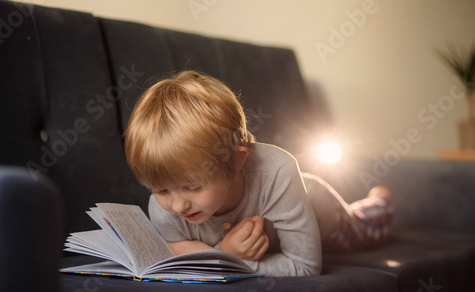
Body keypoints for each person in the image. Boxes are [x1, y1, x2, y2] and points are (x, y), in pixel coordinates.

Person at [124, 70, 393, 277]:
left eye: (193, 186)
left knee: (364, 228)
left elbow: (306, 267)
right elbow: (174, 251)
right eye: (160, 190)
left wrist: (234, 261)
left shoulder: (278, 173)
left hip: (316, 204)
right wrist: (225, 252)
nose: (177, 204)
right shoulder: (166, 207)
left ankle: (379, 199)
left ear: (237, 161)